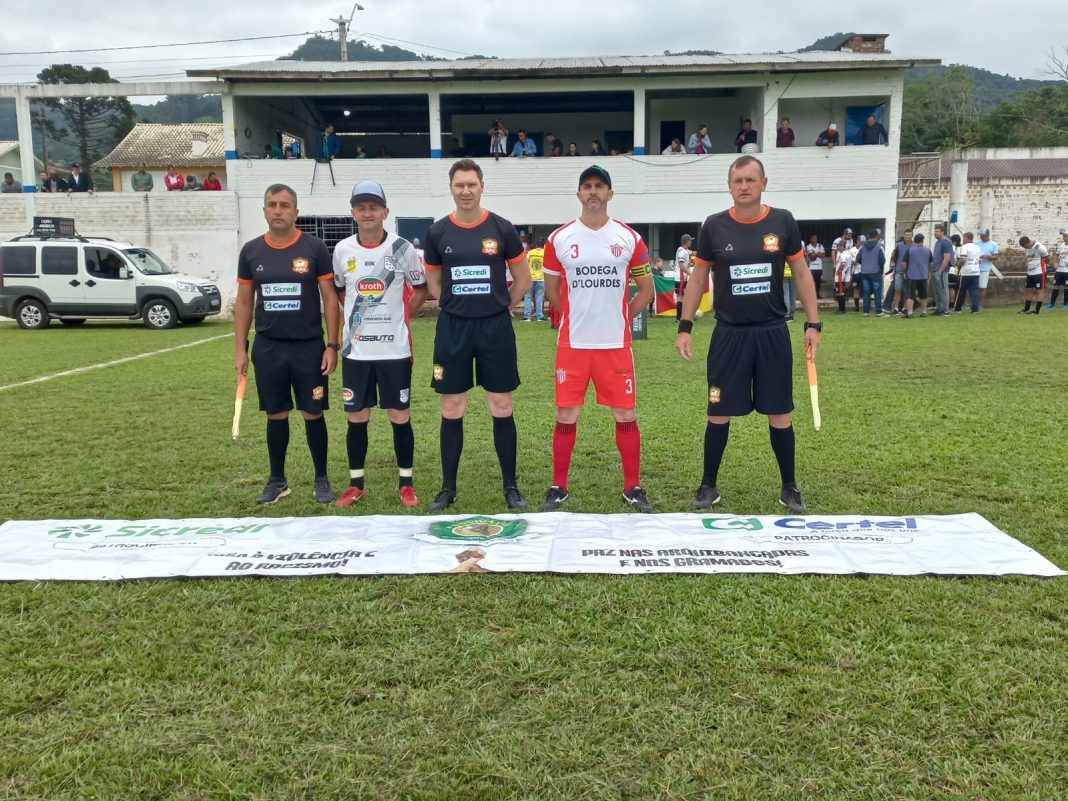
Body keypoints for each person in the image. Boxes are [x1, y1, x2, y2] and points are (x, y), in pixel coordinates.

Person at [675, 155, 821, 514]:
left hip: (772, 333)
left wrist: (813, 323)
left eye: (751, 180)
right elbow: (698, 278)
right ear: (729, 186)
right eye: (738, 180)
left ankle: (790, 487)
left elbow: (802, 273)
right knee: (718, 412)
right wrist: (685, 325)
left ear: (763, 184)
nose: (744, 186)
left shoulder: (782, 221)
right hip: (729, 335)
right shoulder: (713, 226)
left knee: (780, 413)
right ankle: (708, 485)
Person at [540, 165, 655, 513]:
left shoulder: (629, 238)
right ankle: (558, 486)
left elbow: (646, 290)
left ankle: (633, 487)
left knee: (626, 413)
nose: (593, 191)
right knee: (566, 413)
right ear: (579, 194)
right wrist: (576, 315)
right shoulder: (558, 239)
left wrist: (621, 317)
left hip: (615, 345)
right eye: (587, 186)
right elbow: (551, 290)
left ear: (610, 193)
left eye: (600, 186)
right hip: (573, 345)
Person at [422, 159, 532, 512]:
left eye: (471, 184)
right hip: (453, 328)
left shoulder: (502, 228)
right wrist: (456, 305)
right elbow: (434, 284)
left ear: (482, 186)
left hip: (494, 328)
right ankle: (448, 488)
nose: (466, 191)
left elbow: (524, 279)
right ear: (451, 189)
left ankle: (511, 487)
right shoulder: (438, 232)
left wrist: (500, 305)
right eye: (460, 185)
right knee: (452, 405)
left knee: (501, 404)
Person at [234, 184, 341, 504]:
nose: (278, 210)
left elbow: (330, 299)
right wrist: (241, 348)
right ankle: (277, 480)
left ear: (296, 211)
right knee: (276, 414)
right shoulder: (251, 251)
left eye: (284, 205)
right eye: (272, 204)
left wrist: (332, 344)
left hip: (308, 347)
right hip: (269, 347)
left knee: (313, 413)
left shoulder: (314, 247)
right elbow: (244, 302)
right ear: (264, 210)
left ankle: (321, 479)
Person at [331, 181, 428, 508]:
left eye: (374, 207)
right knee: (357, 417)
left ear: (385, 212)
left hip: (394, 351)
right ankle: (356, 485)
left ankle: (406, 485)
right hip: (356, 352)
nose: (367, 213)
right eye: (361, 208)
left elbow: (422, 289)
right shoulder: (343, 250)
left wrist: (401, 317)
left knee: (400, 415)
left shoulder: (403, 249)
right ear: (353, 213)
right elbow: (341, 291)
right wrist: (358, 318)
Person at [901, 232, 932, 318]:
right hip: (923, 275)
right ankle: (923, 312)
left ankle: (910, 312)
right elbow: (931, 263)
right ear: (922, 241)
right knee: (923, 295)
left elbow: (903, 263)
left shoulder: (910, 250)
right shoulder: (928, 250)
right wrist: (928, 271)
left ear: (914, 241)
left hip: (912, 276)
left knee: (910, 295)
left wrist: (905, 272)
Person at [858, 228, 886, 316]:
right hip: (875, 271)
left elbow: (858, 259)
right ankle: (878, 311)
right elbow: (882, 260)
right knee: (877, 292)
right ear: (877, 236)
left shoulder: (862, 247)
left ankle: (866, 311)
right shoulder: (879, 246)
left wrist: (865, 263)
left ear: (868, 236)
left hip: (864, 272)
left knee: (866, 292)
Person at [952, 232, 982, 313]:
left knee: (961, 291)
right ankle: (975, 309)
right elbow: (980, 260)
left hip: (966, 272)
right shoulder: (977, 248)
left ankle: (958, 308)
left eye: (963, 238)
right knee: (974, 291)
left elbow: (963, 259)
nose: (963, 239)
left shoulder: (964, 247)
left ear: (966, 238)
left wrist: (958, 266)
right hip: (976, 272)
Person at [1018, 235, 1049, 314]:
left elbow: (1047, 258)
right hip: (1030, 272)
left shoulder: (1040, 247)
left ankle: (1037, 310)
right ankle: (1026, 309)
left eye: (1025, 246)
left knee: (1040, 290)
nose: (1025, 248)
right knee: (1028, 290)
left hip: (1039, 272)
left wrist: (1047, 266)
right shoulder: (1028, 249)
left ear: (1027, 243)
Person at [886, 229, 913, 315]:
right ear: (904, 236)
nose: (907, 236)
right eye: (906, 235)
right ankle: (896, 308)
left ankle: (905, 308)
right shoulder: (899, 246)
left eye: (909, 235)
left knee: (907, 291)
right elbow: (894, 257)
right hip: (899, 271)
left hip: (910, 272)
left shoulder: (914, 246)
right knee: (897, 289)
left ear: (912, 235)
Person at [931, 224, 954, 315]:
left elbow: (946, 258)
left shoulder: (946, 242)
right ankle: (939, 308)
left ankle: (945, 310)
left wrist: (940, 271)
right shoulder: (937, 242)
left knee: (943, 290)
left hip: (942, 270)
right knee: (937, 290)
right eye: (935, 231)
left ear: (942, 232)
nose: (935, 233)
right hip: (935, 269)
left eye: (937, 231)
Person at [976, 226, 1000, 308]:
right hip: (975, 268)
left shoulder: (993, 244)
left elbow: (996, 257)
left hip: (985, 268)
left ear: (987, 235)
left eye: (983, 235)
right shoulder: (977, 243)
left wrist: (988, 256)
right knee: (973, 287)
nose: (981, 237)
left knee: (982, 287)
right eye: (981, 235)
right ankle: (970, 303)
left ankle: (980, 304)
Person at [524, 239, 545, 322]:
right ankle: (539, 317)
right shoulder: (545, 253)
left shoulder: (530, 252)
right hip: (541, 278)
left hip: (530, 277)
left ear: (536, 245)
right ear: (543, 245)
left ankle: (527, 317)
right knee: (539, 297)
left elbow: (525, 263)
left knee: (527, 296)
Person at [675, 233, 693, 321]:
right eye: (690, 241)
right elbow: (681, 266)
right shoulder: (682, 252)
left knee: (682, 296)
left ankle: (681, 316)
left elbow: (693, 252)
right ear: (687, 242)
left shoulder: (684, 250)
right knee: (681, 296)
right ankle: (679, 318)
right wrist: (691, 274)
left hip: (681, 276)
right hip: (681, 277)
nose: (691, 242)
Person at [833, 239, 854, 314]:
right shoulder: (848, 253)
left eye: (838, 246)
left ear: (842, 246)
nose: (837, 247)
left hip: (841, 275)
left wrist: (838, 271)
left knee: (840, 292)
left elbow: (843, 263)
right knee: (842, 292)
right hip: (846, 275)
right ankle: (841, 309)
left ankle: (842, 310)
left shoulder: (843, 254)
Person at [1050, 229, 1068, 309]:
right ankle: (1052, 304)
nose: (1063, 237)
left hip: (1066, 271)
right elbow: (1056, 254)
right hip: (1059, 270)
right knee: (1055, 286)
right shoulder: (1061, 245)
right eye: (1063, 236)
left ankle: (1065, 304)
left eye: (1065, 236)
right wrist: (1055, 263)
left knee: (1066, 286)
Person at [805, 233, 825, 298]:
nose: (815, 240)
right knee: (811, 282)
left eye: (816, 239)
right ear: (810, 239)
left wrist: (815, 254)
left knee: (818, 282)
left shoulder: (820, 246)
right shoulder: (808, 246)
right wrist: (818, 254)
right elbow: (811, 256)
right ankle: (811, 295)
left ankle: (817, 294)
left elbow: (823, 255)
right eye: (813, 239)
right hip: (811, 267)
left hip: (819, 267)